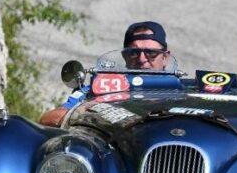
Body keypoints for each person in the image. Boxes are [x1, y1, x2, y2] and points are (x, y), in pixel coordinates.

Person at [38, 21, 171, 127]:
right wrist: (80, 113)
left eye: (151, 53)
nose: (142, 59)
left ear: (165, 57)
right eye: (134, 53)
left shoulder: (186, 91)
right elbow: (47, 118)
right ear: (125, 56)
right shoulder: (101, 88)